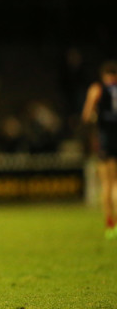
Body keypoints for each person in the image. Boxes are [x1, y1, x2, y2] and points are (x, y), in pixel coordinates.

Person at [82, 61, 117, 239]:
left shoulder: (97, 89)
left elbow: (86, 115)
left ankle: (111, 225)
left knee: (107, 184)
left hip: (106, 140)